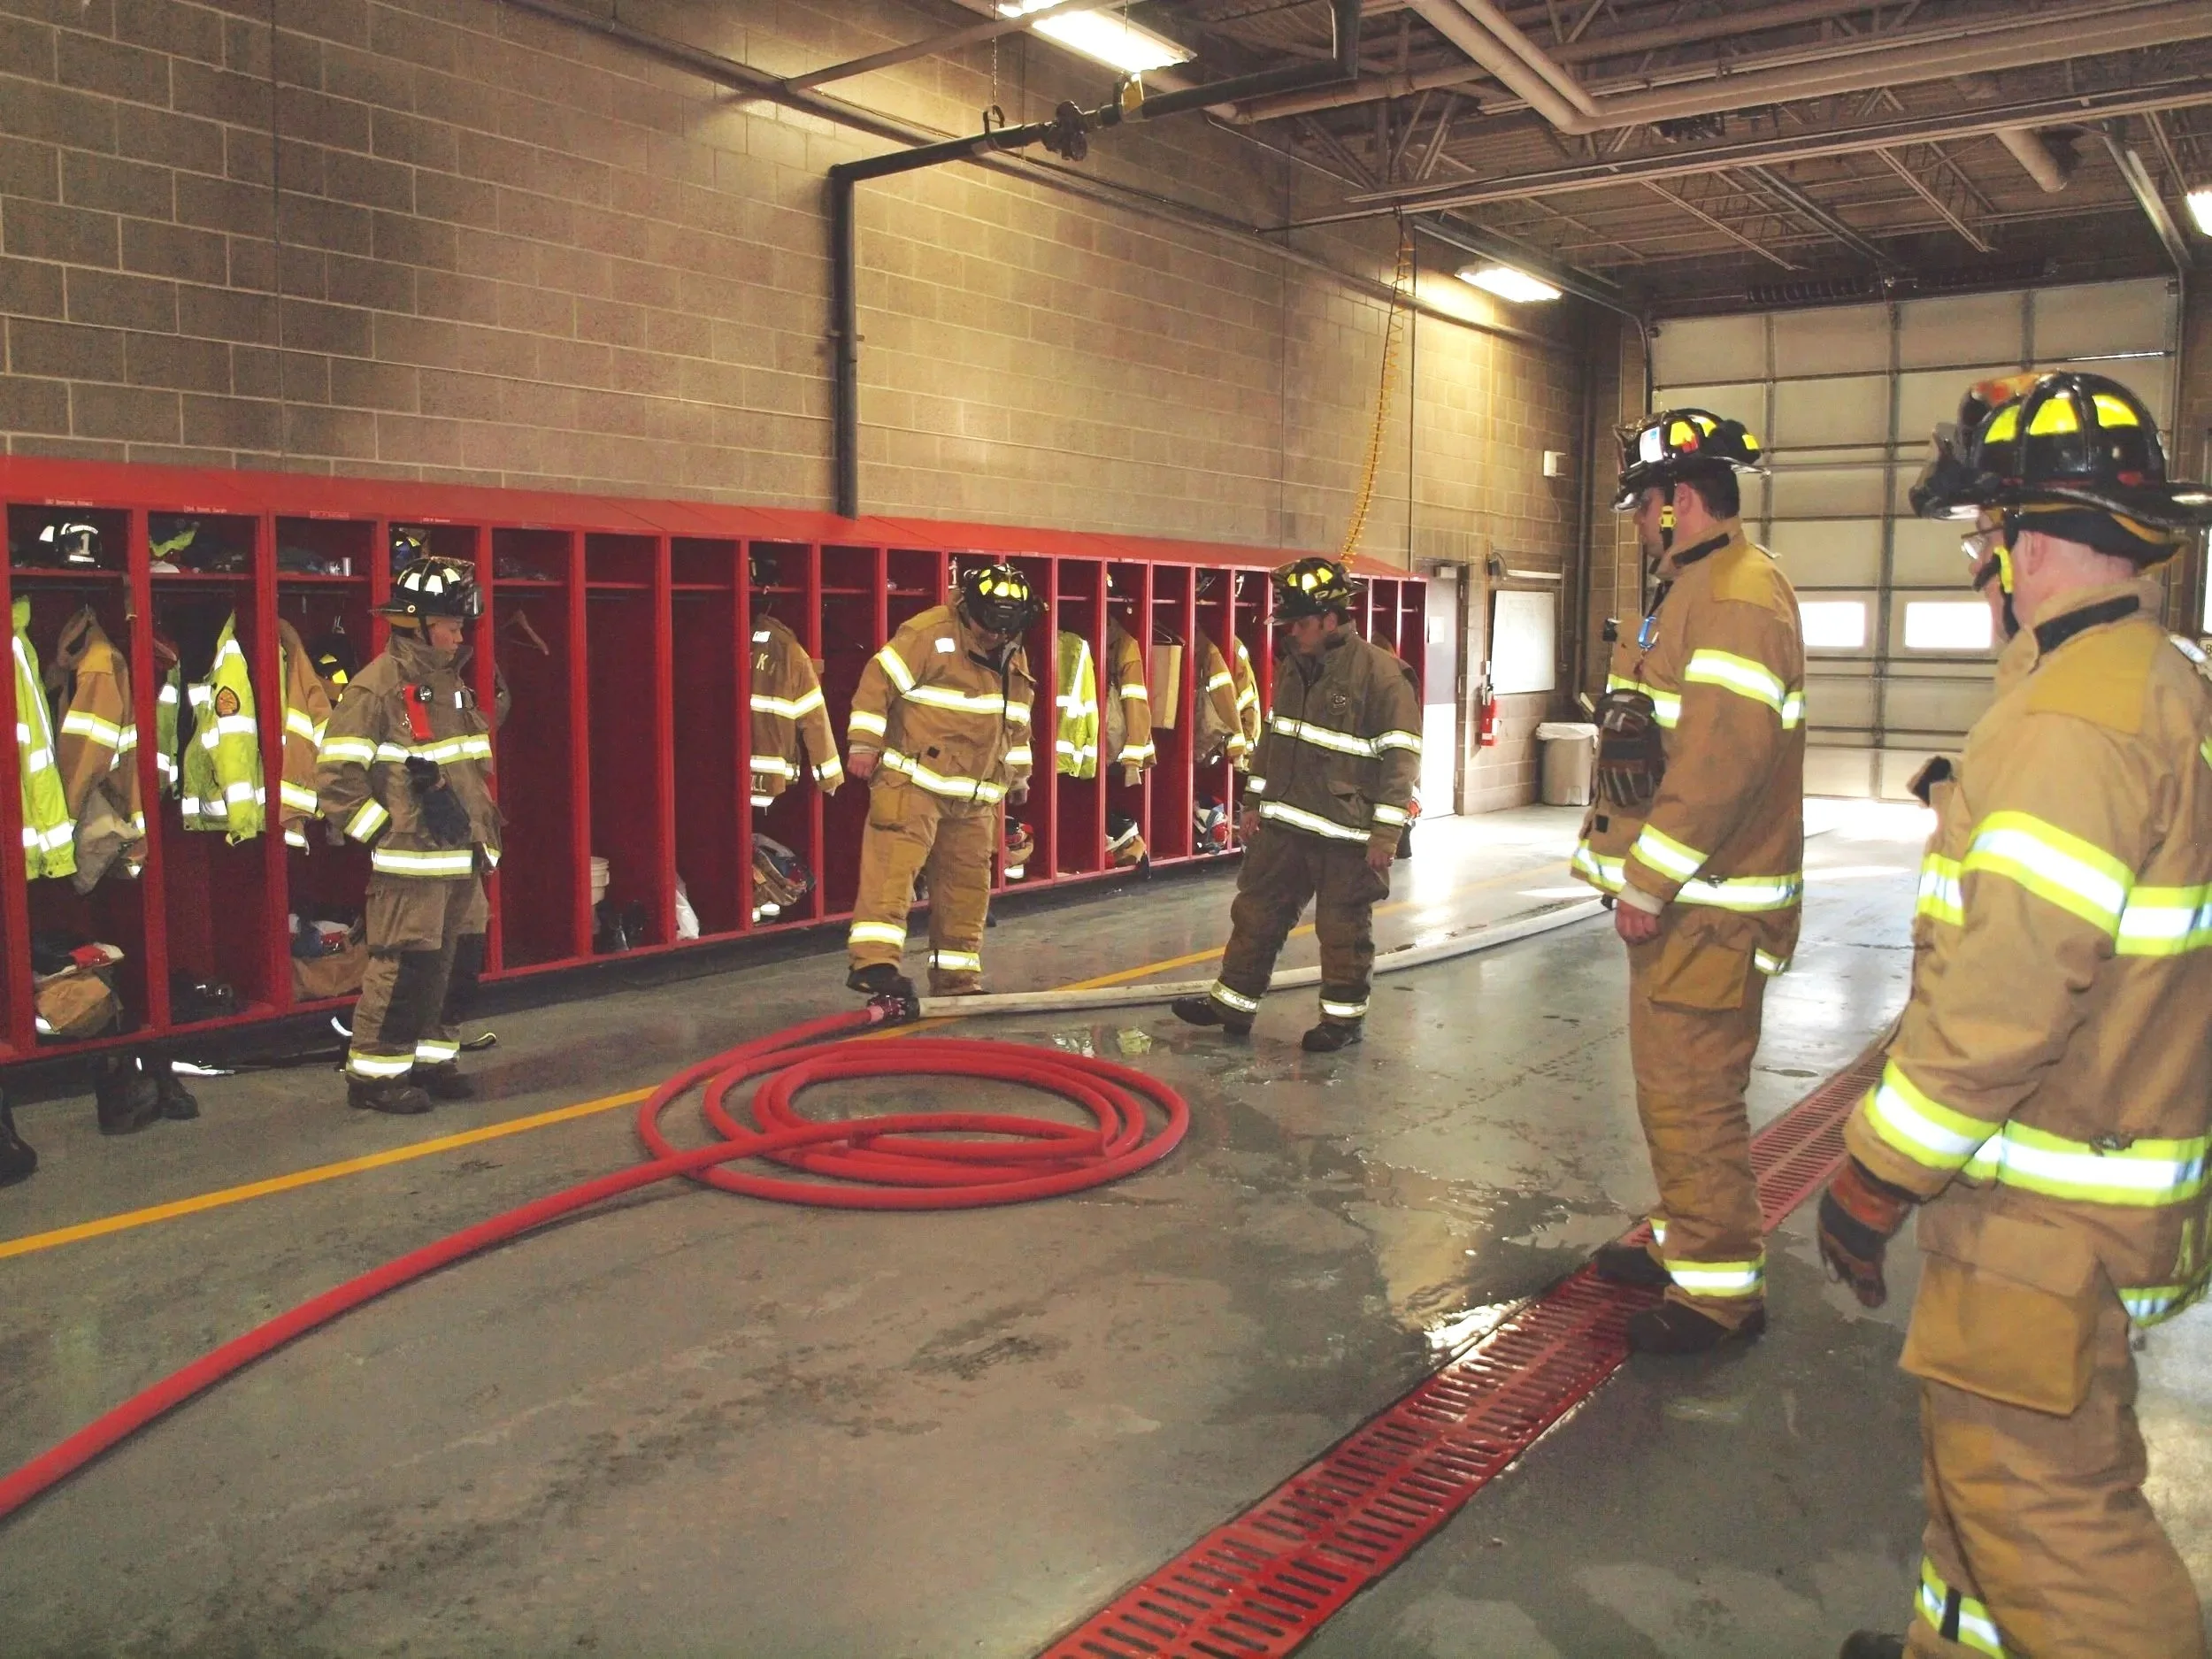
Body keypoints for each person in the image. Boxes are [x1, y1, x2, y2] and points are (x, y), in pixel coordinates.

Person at [1824, 372, 2212, 1659]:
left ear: (2028, 535)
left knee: (2047, 1517)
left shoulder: (2068, 722)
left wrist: (1876, 1174)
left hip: (2048, 1213)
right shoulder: (2150, 679)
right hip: (2089, 1182)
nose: (1979, 557)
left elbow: (2001, 1004)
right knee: (1975, 1494)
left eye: (1983, 530)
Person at [1575, 408, 1806, 1356]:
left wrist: (1648, 884)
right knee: (1669, 1092)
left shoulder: (1739, 599)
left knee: (1691, 1098)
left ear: (1679, 501)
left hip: (1707, 909)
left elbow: (1717, 764)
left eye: (1642, 503)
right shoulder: (1695, 590)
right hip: (1690, 910)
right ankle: (1686, 1241)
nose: (1635, 521)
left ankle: (1717, 1298)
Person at [1170, 557, 1419, 1053]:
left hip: (1347, 834)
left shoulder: (1381, 674)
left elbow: (1401, 759)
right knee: (1257, 912)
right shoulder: (1294, 666)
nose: (1293, 633)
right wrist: (1252, 802)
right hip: (1285, 824)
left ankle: (1342, 1020)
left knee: (1342, 928)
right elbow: (1274, 740)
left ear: (1331, 619)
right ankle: (1233, 1005)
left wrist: (1386, 836)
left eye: (1302, 623)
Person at [316, 557, 501, 1115]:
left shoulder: (450, 686)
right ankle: (375, 1077)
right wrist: (387, 834)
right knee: (404, 973)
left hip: (463, 861)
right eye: (450, 624)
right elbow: (335, 782)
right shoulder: (375, 691)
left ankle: (432, 1060)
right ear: (416, 624)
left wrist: (483, 838)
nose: (459, 635)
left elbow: (472, 771)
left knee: (456, 970)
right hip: (412, 868)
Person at [844, 562, 1039, 1000]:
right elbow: (878, 682)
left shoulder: (1012, 649)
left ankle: (956, 979)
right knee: (892, 873)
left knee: (967, 889)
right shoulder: (927, 634)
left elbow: (1017, 718)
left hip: (974, 797)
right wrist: (863, 744)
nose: (995, 635)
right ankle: (874, 966)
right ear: (971, 609)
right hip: (913, 783)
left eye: (1005, 627)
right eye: (989, 625)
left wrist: (1020, 774)